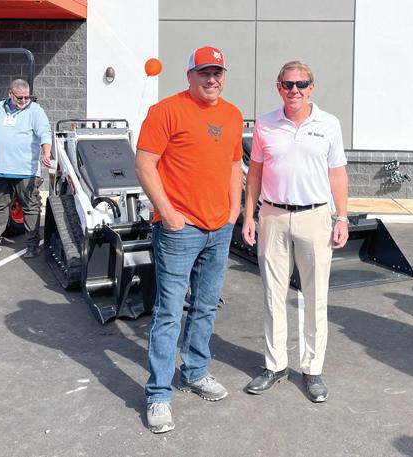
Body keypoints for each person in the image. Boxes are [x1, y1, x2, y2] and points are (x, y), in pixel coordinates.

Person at [135, 46, 243, 433]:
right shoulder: (166, 111)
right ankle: (158, 394)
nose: (212, 80)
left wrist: (234, 210)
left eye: (218, 73)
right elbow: (144, 164)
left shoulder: (232, 114)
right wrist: (168, 213)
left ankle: (195, 372)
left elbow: (234, 163)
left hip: (219, 228)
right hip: (180, 230)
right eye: (204, 73)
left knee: (206, 306)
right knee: (168, 313)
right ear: (190, 75)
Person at [242, 61, 348, 402]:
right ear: (279, 87)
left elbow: (337, 174)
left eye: (301, 84)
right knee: (273, 296)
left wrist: (342, 217)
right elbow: (255, 173)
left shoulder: (329, 124)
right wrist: (249, 216)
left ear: (311, 87)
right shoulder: (265, 124)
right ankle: (275, 366)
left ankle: (312, 370)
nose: (294, 90)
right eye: (288, 84)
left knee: (315, 297)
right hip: (272, 216)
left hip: (315, 217)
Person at [0, 79, 52, 258]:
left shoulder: (35, 111)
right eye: (20, 98)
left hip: (25, 171)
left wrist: (46, 153)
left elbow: (45, 133)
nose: (24, 101)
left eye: (27, 97)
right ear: (10, 94)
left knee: (30, 208)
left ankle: (33, 246)